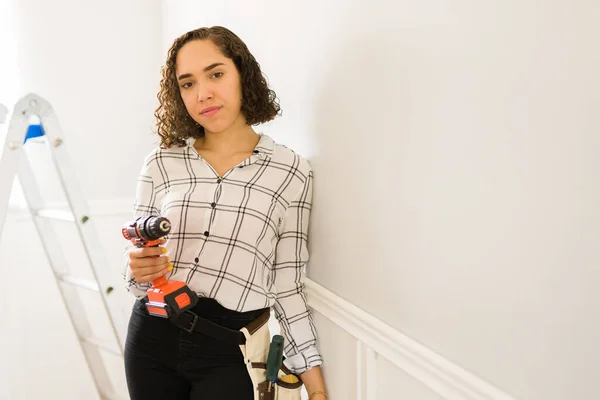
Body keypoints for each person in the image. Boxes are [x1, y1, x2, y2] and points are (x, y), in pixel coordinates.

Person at [122, 26, 328, 400]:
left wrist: (315, 389)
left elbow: (287, 284)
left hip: (231, 353)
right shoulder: (161, 163)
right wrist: (138, 268)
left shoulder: (290, 171)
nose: (203, 94)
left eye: (216, 74)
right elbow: (135, 280)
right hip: (150, 342)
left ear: (242, 74)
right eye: (187, 83)